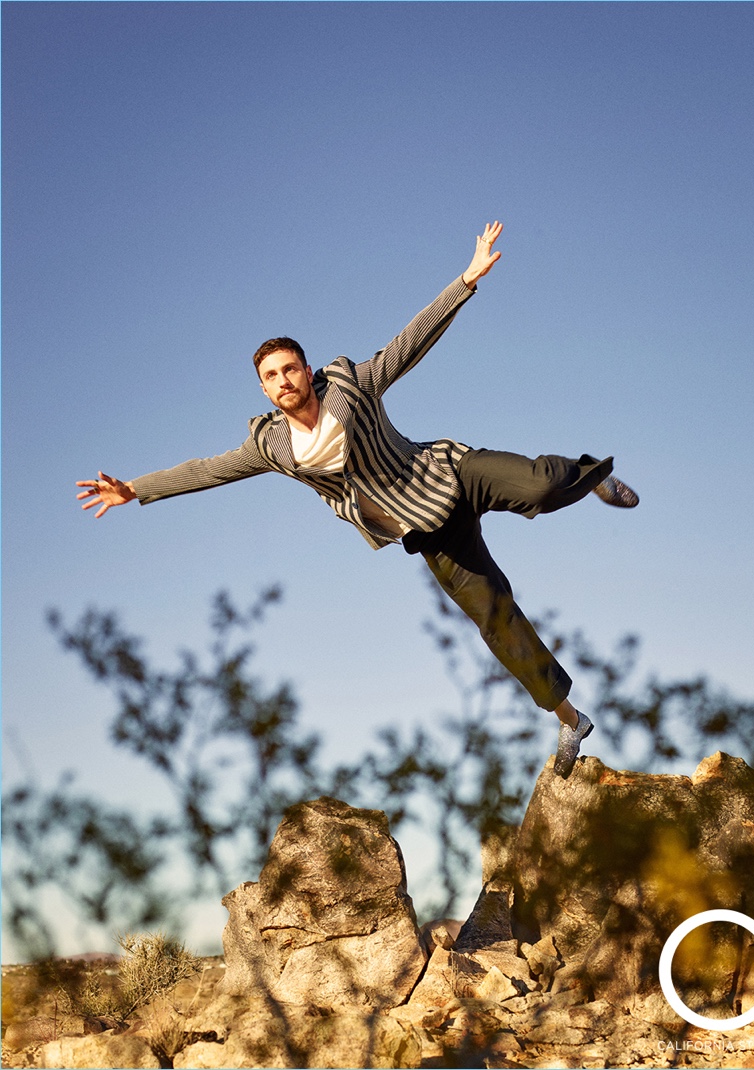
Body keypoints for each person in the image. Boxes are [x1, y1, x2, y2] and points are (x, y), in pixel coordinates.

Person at [77, 221, 638, 778]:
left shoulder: (350, 384)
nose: (284, 380)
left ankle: (591, 480)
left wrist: (466, 279)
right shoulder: (271, 445)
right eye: (271, 376)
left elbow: (408, 343)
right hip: (426, 529)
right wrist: (136, 489)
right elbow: (209, 470)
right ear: (265, 390)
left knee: (540, 483)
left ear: (306, 369)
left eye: (291, 368)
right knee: (495, 619)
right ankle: (567, 717)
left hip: (448, 471)